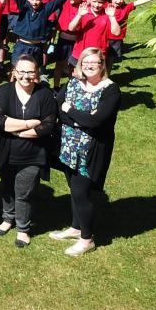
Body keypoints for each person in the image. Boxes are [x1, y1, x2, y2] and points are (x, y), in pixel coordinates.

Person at [50, 47, 121, 256]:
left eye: (95, 63)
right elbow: (57, 107)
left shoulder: (111, 90)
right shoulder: (73, 82)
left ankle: (87, 239)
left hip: (92, 149)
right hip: (69, 145)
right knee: (73, 188)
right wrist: (81, 119)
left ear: (103, 65)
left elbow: (96, 121)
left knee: (81, 191)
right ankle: (75, 227)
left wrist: (70, 110)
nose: (90, 66)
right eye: (85, 62)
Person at [0, 55, 58, 248]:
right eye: (22, 71)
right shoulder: (4, 91)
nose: (26, 76)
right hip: (6, 151)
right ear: (14, 72)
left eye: (30, 72)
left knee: (23, 192)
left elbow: (48, 125)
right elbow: (0, 120)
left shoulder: (45, 94)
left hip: (33, 154)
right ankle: (7, 219)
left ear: (36, 74)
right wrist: (28, 124)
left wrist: (16, 131)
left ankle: (23, 229)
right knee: (7, 187)